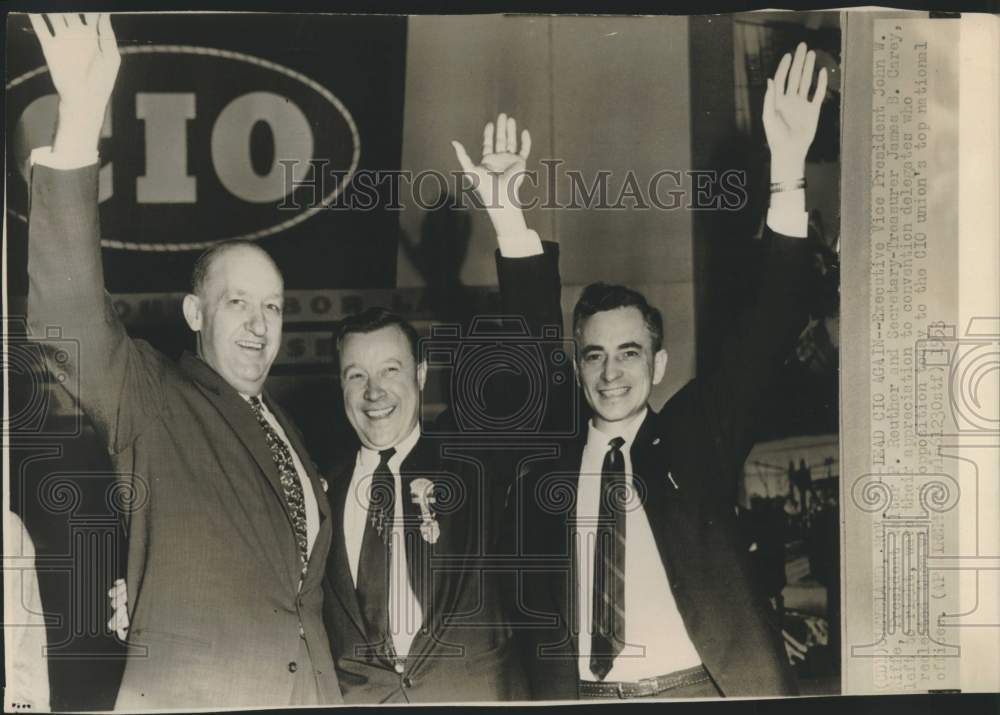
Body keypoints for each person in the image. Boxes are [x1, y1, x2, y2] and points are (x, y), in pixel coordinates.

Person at [26, 14, 340, 707]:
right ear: (195, 314)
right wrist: (80, 121)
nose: (259, 325)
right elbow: (67, 320)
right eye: (238, 303)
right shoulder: (154, 396)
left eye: (273, 306)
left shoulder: (286, 426)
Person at [506, 43, 827, 699]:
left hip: (697, 690)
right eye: (594, 354)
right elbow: (527, 338)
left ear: (658, 363)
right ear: (577, 365)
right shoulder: (549, 457)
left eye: (629, 352)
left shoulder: (696, 436)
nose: (611, 372)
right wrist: (508, 218)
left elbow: (769, 324)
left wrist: (788, 168)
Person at [322, 114, 561, 703]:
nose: (374, 392)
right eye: (356, 375)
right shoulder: (316, 485)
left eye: (390, 370)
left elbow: (537, 364)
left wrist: (507, 217)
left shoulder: (471, 457)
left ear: (422, 375)